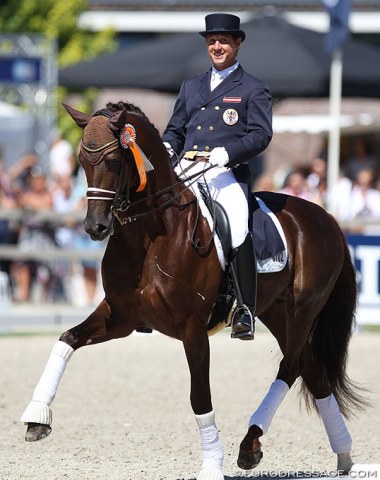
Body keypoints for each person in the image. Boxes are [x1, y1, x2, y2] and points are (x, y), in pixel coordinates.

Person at [162, 13, 273, 340]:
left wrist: (230, 153)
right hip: (188, 168)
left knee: (237, 225)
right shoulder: (191, 86)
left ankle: (245, 311)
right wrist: (169, 147)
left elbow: (261, 134)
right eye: (212, 42)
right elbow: (175, 129)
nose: (217, 46)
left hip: (226, 171)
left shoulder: (253, 88)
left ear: (237, 43)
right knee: (155, 212)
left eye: (224, 41)